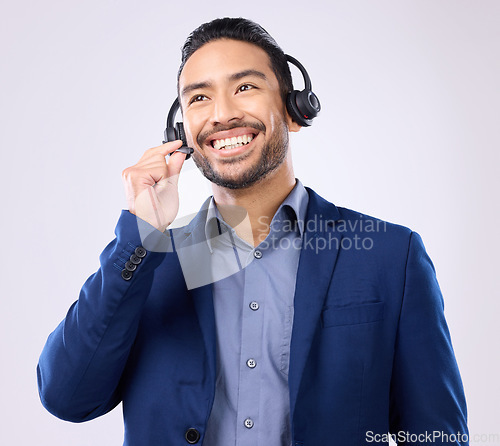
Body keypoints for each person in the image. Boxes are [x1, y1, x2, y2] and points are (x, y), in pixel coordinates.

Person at [37, 17, 469, 446]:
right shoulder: (149, 262)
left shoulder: (391, 256)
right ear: (181, 134)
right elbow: (67, 398)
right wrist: (142, 235)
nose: (223, 114)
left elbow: (436, 436)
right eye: (200, 97)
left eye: (245, 87)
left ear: (295, 111)